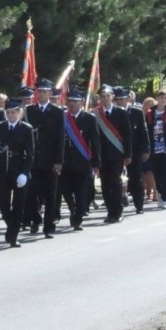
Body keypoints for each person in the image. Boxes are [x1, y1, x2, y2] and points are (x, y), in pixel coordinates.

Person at [25, 79, 66, 238]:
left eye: (44, 91)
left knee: (50, 194)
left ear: (50, 93)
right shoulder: (29, 110)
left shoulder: (57, 112)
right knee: (32, 193)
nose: (41, 94)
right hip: (33, 159)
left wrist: (58, 161)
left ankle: (49, 226)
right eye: (39, 91)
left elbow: (60, 138)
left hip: (50, 160)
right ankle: (36, 220)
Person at [0, 92, 35, 246]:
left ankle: (13, 235)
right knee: (3, 205)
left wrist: (25, 173)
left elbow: (30, 154)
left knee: (18, 205)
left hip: (19, 170)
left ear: (20, 113)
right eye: (8, 112)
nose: (11, 115)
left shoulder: (26, 129)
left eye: (14, 112)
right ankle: (11, 225)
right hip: (3, 171)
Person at [59, 89, 100, 231]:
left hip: (82, 162)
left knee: (81, 193)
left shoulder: (89, 119)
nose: (72, 104)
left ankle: (77, 218)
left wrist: (96, 162)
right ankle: (72, 208)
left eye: (75, 101)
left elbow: (95, 142)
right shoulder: (62, 118)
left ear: (82, 102)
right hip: (65, 162)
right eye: (70, 101)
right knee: (65, 190)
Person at [94, 86, 130, 224]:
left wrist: (128, 154)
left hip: (117, 154)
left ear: (113, 97)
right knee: (105, 184)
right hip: (102, 155)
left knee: (116, 182)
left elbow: (127, 135)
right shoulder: (95, 114)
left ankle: (118, 211)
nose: (105, 99)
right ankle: (110, 211)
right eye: (102, 96)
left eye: (107, 96)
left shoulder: (121, 113)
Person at [120, 87, 150, 214]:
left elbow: (143, 131)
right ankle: (118, 205)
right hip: (118, 151)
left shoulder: (136, 112)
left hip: (135, 151)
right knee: (117, 179)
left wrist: (146, 149)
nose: (119, 101)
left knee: (136, 179)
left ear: (128, 99)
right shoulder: (113, 113)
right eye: (117, 99)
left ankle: (139, 205)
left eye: (122, 99)